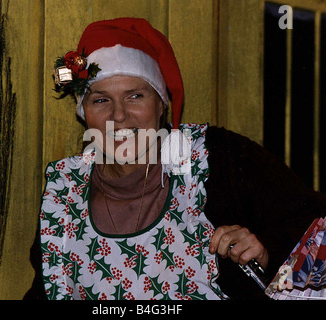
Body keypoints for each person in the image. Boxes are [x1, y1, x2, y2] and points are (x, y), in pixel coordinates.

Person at [24, 18, 326, 300]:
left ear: (160, 105)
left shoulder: (219, 158)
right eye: (101, 100)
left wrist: (267, 254)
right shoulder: (64, 192)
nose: (119, 115)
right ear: (84, 113)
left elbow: (315, 230)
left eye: (135, 96)